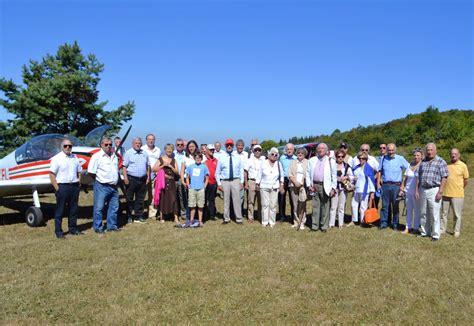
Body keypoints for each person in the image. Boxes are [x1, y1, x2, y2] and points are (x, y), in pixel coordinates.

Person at [49, 138, 83, 239]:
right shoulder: (56, 158)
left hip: (74, 186)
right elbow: (51, 174)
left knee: (73, 209)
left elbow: (79, 171)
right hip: (62, 187)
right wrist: (57, 188)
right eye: (65, 146)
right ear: (62, 147)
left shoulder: (75, 157)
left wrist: (79, 182)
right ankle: (58, 231)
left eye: (70, 146)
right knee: (60, 210)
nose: (68, 147)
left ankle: (73, 229)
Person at [416, 143, 449, 241]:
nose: (429, 152)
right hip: (423, 189)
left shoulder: (440, 161)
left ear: (435, 150)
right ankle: (424, 232)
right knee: (423, 212)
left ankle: (435, 234)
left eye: (431, 150)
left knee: (434, 213)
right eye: (428, 150)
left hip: (434, 189)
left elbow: (444, 177)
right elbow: (419, 176)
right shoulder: (423, 162)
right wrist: (417, 189)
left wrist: (440, 191)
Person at [88, 137, 120, 233]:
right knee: (99, 208)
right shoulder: (96, 156)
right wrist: (100, 180)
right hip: (102, 186)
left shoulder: (114, 156)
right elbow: (91, 172)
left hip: (114, 186)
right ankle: (98, 228)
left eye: (110, 144)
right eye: (106, 144)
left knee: (114, 207)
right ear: (101, 145)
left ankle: (112, 226)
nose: (108, 146)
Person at [377, 143, 409, 230]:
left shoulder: (400, 159)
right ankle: (384, 223)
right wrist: (378, 183)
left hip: (396, 186)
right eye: (389, 150)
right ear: (387, 150)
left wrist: (404, 183)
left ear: (395, 150)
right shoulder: (383, 158)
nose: (391, 152)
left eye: (392, 150)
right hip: (385, 185)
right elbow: (379, 171)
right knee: (385, 206)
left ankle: (395, 224)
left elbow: (409, 169)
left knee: (395, 206)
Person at [306, 143, 337, 232]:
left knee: (325, 207)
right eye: (319, 148)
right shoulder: (312, 160)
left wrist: (333, 188)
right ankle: (314, 226)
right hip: (314, 185)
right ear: (317, 150)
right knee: (315, 207)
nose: (320, 150)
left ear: (327, 150)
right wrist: (309, 185)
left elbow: (334, 175)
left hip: (325, 186)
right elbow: (308, 173)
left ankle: (324, 226)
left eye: (323, 148)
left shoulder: (331, 161)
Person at [441, 148, 469, 238]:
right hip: (445, 193)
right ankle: (442, 229)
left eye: (455, 154)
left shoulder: (463, 165)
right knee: (443, 213)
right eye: (452, 154)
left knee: (457, 214)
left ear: (459, 155)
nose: (453, 155)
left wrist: (461, 188)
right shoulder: (446, 165)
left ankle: (456, 231)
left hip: (457, 194)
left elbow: (466, 180)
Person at [215, 138, 245, 224]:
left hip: (235, 180)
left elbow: (241, 170)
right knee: (226, 201)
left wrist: (242, 182)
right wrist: (219, 183)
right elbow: (217, 172)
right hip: (225, 181)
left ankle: (239, 219)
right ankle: (226, 219)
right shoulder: (221, 157)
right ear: (225, 146)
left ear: (233, 146)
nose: (229, 146)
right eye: (227, 145)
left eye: (230, 145)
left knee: (237, 200)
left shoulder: (237, 157)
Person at [123, 137, 150, 224]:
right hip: (131, 179)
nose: (138, 144)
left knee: (140, 199)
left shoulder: (144, 153)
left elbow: (148, 166)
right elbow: (124, 166)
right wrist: (126, 178)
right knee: (129, 199)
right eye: (136, 143)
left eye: (139, 143)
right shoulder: (128, 153)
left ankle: (139, 216)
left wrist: (148, 177)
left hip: (142, 179)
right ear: (133, 144)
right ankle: (129, 216)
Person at [256, 147, 284, 227]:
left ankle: (272, 221)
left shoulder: (278, 164)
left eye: (276, 155)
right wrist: (257, 183)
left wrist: (281, 185)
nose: (274, 155)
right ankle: (264, 222)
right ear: (269, 155)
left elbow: (281, 175)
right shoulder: (263, 163)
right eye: (272, 154)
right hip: (264, 186)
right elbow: (259, 174)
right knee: (265, 205)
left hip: (274, 187)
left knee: (273, 205)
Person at [153, 144, 179, 223]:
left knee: (174, 199)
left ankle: (176, 218)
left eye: (171, 149)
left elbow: (177, 172)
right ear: (165, 149)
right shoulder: (161, 159)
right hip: (162, 182)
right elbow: (154, 169)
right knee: (163, 199)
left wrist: (171, 167)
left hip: (171, 182)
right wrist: (163, 165)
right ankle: (162, 217)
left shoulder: (174, 160)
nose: (169, 150)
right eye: (167, 149)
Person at [349, 151, 376, 226]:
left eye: (363, 158)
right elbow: (351, 177)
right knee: (353, 205)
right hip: (356, 190)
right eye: (359, 158)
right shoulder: (356, 168)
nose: (361, 160)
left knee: (363, 206)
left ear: (366, 159)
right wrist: (353, 179)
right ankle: (354, 220)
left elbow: (371, 181)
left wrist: (372, 192)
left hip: (365, 190)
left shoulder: (369, 168)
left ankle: (362, 221)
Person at [329, 149, 353, 229]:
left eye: (342, 156)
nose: (340, 158)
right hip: (334, 188)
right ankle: (331, 224)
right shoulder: (332, 166)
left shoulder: (346, 166)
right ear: (336, 157)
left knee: (341, 207)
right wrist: (337, 178)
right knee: (333, 206)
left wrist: (346, 177)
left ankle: (340, 224)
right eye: (338, 156)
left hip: (343, 188)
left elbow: (352, 177)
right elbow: (328, 176)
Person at [401, 148, 423, 234]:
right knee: (409, 210)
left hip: (417, 192)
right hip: (408, 191)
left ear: (421, 156)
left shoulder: (422, 165)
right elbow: (405, 177)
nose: (416, 157)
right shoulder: (410, 165)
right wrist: (402, 187)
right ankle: (407, 227)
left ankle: (416, 227)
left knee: (417, 210)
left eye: (418, 155)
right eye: (415, 155)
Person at [288, 147, 309, 230]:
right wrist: (295, 182)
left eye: (302, 153)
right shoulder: (292, 162)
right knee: (295, 204)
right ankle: (296, 222)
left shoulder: (308, 162)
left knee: (303, 204)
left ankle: (302, 222)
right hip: (293, 185)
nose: (300, 154)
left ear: (304, 154)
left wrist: (302, 183)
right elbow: (289, 174)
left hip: (303, 186)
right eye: (299, 153)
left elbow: (308, 174)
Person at [186, 153, 209, 226]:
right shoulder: (190, 167)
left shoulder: (204, 167)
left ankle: (200, 221)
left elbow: (207, 177)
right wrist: (188, 185)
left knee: (200, 205)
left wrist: (204, 185)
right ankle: (191, 220)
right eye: (196, 158)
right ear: (194, 158)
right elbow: (187, 177)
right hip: (192, 188)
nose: (198, 159)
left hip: (201, 189)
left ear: (201, 159)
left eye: (199, 158)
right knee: (192, 205)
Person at [142, 133, 161, 220]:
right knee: (142, 195)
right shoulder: (142, 149)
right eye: (149, 139)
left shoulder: (158, 150)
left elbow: (160, 161)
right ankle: (141, 213)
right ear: (146, 140)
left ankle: (152, 214)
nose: (151, 141)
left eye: (152, 139)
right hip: (144, 174)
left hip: (154, 174)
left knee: (153, 195)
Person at [244, 144, 265, 222]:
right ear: (253, 151)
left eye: (259, 150)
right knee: (251, 201)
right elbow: (245, 172)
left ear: (261, 151)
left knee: (261, 201)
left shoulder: (264, 160)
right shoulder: (249, 160)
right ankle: (250, 217)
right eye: (255, 150)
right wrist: (246, 183)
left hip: (261, 182)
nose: (257, 152)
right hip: (252, 181)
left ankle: (260, 217)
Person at [180, 140, 199, 222]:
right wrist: (182, 181)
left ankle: (197, 217)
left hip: (197, 180)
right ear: (187, 148)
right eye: (190, 146)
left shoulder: (200, 156)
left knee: (197, 198)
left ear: (196, 147)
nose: (191, 148)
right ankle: (188, 217)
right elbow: (182, 170)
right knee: (189, 199)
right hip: (187, 180)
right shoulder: (185, 157)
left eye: (193, 146)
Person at [279, 143, 297, 222]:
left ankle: (293, 217)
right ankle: (282, 216)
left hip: (292, 179)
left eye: (291, 149)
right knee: (281, 199)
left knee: (292, 199)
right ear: (285, 150)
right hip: (283, 179)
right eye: (288, 149)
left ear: (293, 150)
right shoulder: (282, 158)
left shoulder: (296, 158)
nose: (289, 150)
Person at [173, 138, 187, 219]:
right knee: (174, 196)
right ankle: (175, 213)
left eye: (181, 144)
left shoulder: (186, 154)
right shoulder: (173, 154)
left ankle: (183, 213)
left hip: (183, 178)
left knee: (182, 196)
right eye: (178, 145)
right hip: (174, 178)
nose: (180, 146)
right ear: (176, 145)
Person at [205, 144, 219, 220]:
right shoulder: (204, 160)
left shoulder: (216, 160)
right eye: (210, 150)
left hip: (213, 183)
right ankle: (204, 214)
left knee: (212, 200)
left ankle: (212, 215)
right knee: (204, 199)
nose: (212, 151)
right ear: (207, 150)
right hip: (205, 183)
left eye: (213, 150)